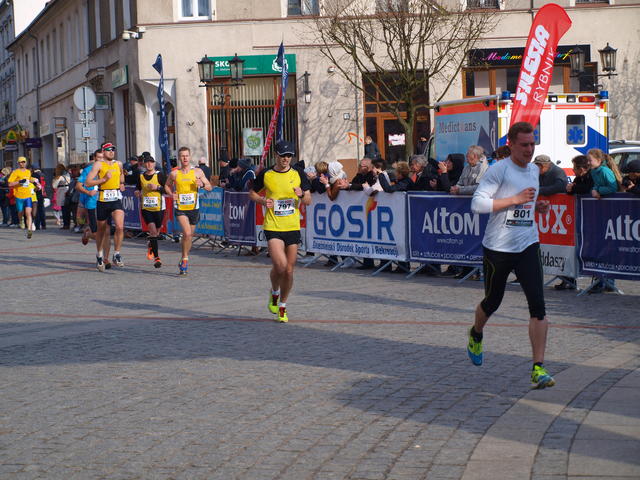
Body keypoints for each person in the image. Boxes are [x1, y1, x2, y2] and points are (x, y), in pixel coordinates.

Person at [468, 121, 555, 390]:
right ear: (512, 145)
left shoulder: (534, 170)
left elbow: (526, 203)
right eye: (524, 145)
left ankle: (538, 367)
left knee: (538, 306)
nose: (530, 149)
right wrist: (515, 200)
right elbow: (477, 204)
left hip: (528, 244)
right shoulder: (498, 170)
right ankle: (476, 332)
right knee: (492, 301)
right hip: (498, 247)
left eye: (532, 144)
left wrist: (537, 207)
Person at [249, 140, 311, 323]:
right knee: (281, 266)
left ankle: (282, 306)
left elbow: (308, 200)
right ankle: (274, 292)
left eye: (289, 156)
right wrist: (262, 201)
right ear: (276, 155)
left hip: (292, 226)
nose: (286, 159)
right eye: (283, 155)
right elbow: (252, 193)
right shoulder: (267, 174)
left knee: (289, 271)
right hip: (273, 226)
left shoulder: (298, 173)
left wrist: (302, 194)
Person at [164, 146, 212, 275]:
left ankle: (183, 257)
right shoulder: (174, 173)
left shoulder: (197, 172)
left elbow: (209, 187)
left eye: (186, 155)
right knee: (187, 233)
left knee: (189, 236)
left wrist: (202, 184)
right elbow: (167, 186)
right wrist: (171, 194)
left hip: (194, 208)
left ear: (190, 157)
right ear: (179, 158)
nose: (185, 158)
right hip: (180, 208)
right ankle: (185, 259)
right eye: (182, 156)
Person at [84, 142, 126, 272]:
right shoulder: (98, 164)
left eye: (113, 150)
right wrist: (103, 180)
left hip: (116, 199)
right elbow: (87, 182)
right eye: (108, 150)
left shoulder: (118, 164)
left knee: (120, 226)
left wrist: (121, 183)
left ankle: (116, 254)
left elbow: (121, 176)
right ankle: (99, 254)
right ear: (103, 152)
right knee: (101, 231)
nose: (111, 152)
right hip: (103, 200)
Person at [135, 155, 166, 268]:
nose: (149, 164)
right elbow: (137, 188)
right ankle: (157, 258)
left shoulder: (160, 175)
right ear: (144, 164)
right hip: (146, 208)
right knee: (152, 231)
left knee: (156, 233)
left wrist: (157, 188)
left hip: (159, 208)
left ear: (154, 164)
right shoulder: (141, 176)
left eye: (151, 162)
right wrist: (137, 192)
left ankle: (151, 244)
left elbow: (167, 189)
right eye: (147, 162)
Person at [76, 150, 102, 247]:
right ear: (94, 158)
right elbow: (78, 186)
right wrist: (88, 192)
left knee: (104, 231)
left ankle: (88, 230)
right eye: (99, 157)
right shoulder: (88, 170)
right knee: (80, 218)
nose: (101, 160)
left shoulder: (109, 168)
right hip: (90, 200)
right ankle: (86, 229)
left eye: (102, 157)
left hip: (105, 201)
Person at [7, 157, 37, 238]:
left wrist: (34, 181)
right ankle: (21, 220)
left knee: (28, 213)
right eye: (20, 162)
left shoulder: (28, 172)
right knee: (20, 212)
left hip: (28, 196)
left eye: (23, 162)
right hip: (19, 196)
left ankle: (29, 230)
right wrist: (19, 181)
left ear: (26, 162)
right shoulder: (15, 172)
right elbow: (10, 184)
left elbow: (29, 179)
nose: (22, 163)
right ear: (18, 163)